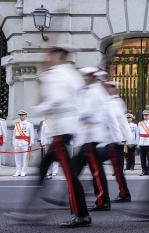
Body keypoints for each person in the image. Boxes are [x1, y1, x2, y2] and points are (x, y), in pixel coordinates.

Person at [26, 45, 90, 227]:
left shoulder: (58, 75)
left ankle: (82, 214)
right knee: (41, 170)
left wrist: (39, 106)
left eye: (50, 54)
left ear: (58, 56)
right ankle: (30, 209)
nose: (48, 57)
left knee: (70, 176)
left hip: (61, 131)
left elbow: (55, 102)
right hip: (64, 130)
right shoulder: (71, 73)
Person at [73, 67, 113, 211]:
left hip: (92, 138)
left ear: (91, 76)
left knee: (96, 171)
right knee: (78, 168)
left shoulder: (96, 92)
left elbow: (92, 113)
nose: (84, 78)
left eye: (86, 76)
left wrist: (78, 113)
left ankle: (103, 200)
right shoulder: (88, 91)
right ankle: (71, 194)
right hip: (86, 138)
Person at [102, 80, 132, 203]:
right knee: (117, 170)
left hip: (113, 141)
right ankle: (124, 194)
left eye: (110, 87)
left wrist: (126, 138)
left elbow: (118, 122)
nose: (107, 89)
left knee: (116, 170)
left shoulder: (114, 103)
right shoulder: (113, 101)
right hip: (110, 141)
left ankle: (123, 194)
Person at [12, 110, 34, 177]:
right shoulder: (17, 124)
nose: (21, 116)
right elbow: (14, 134)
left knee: (25, 158)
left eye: (23, 115)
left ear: (26, 116)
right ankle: (18, 171)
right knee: (17, 158)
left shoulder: (29, 124)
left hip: (25, 142)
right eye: (20, 115)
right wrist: (13, 142)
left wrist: (31, 143)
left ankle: (23, 171)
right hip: (17, 142)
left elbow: (32, 134)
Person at [138, 110, 149, 176]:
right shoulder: (140, 123)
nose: (145, 116)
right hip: (142, 142)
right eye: (144, 115)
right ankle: (143, 171)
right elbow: (138, 133)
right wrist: (138, 142)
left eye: (147, 115)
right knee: (142, 158)